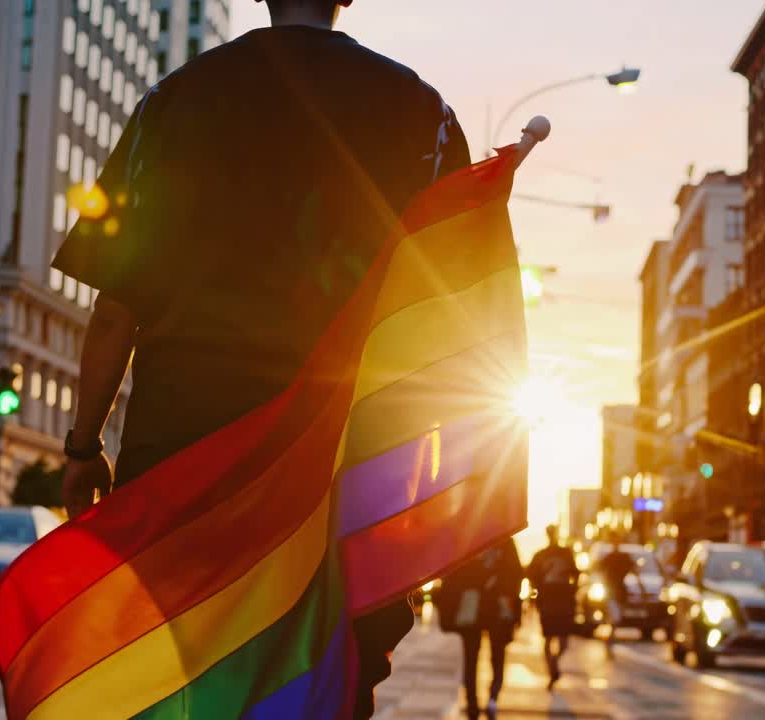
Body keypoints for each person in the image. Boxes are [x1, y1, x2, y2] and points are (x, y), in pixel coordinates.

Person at [52, 0, 470, 715]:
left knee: (192, 673)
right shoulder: (422, 111)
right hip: (340, 459)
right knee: (334, 672)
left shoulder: (170, 103)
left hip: (187, 456)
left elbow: (116, 307)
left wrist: (85, 445)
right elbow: (445, 321)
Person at [439, 539, 524, 719]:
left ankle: (480, 702)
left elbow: (454, 574)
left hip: (483, 609)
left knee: (477, 659)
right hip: (484, 609)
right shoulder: (504, 541)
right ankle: (484, 700)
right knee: (490, 657)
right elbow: (516, 574)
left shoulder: (474, 536)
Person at [526, 525, 579, 689]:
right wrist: (536, 593)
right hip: (548, 599)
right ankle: (552, 670)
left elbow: (575, 573)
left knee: (562, 641)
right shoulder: (541, 555)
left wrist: (572, 589)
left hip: (562, 599)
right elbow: (530, 575)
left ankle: (553, 664)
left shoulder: (565, 553)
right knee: (549, 638)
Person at [595, 536, 644, 652]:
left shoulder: (624, 557)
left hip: (620, 590)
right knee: (615, 616)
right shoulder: (608, 557)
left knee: (617, 616)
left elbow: (635, 570)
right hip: (610, 591)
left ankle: (610, 635)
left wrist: (641, 586)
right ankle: (610, 636)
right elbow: (598, 569)